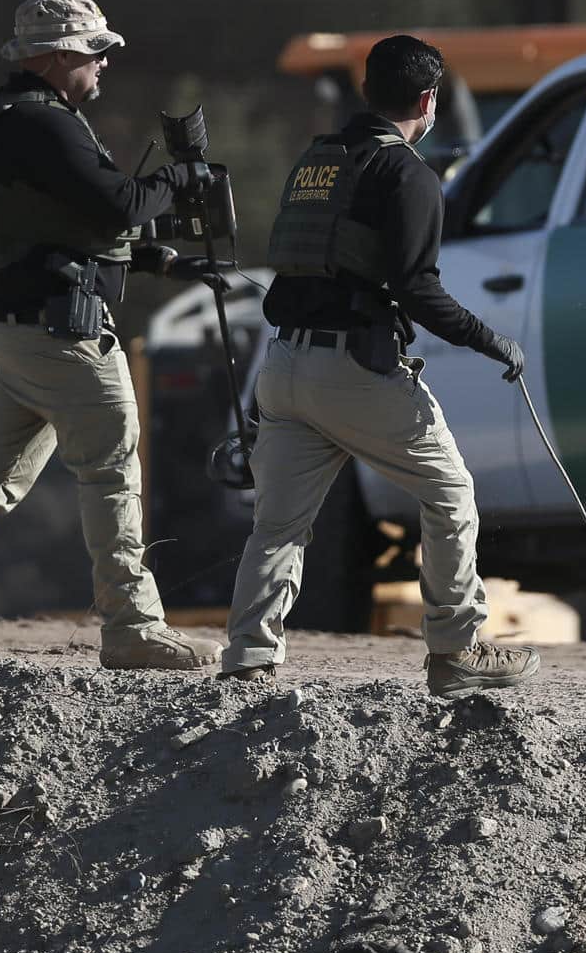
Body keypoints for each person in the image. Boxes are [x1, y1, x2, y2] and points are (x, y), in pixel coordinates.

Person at [0, 0, 220, 669]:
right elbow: (119, 205)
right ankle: (132, 627)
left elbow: (63, 225)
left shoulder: (12, 115)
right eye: (96, 52)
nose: (104, 65)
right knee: (112, 470)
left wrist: (156, 259)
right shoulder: (42, 122)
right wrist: (180, 179)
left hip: (18, 331)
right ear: (61, 57)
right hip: (61, 335)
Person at [219, 35, 540, 697]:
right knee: (450, 495)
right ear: (427, 101)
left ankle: (249, 655)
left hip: (281, 366)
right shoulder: (410, 175)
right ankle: (455, 653)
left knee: (278, 523)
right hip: (355, 372)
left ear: (368, 92)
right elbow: (417, 288)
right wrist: (494, 343)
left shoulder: (317, 160)